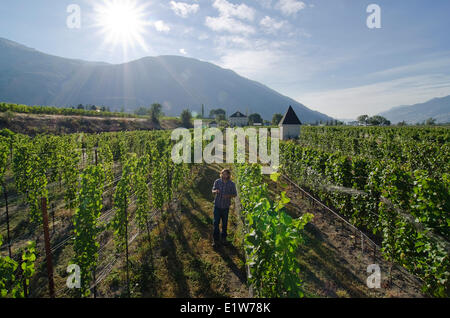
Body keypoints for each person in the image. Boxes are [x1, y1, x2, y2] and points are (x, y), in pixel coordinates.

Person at [211, 169, 237, 248]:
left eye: (226, 174)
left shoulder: (232, 184)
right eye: (223, 174)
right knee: (216, 223)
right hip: (217, 205)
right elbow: (212, 190)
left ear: (229, 175)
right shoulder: (217, 181)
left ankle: (223, 238)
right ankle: (215, 240)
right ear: (221, 174)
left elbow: (234, 194)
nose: (225, 176)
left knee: (224, 224)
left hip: (225, 207)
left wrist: (228, 196)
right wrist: (215, 191)